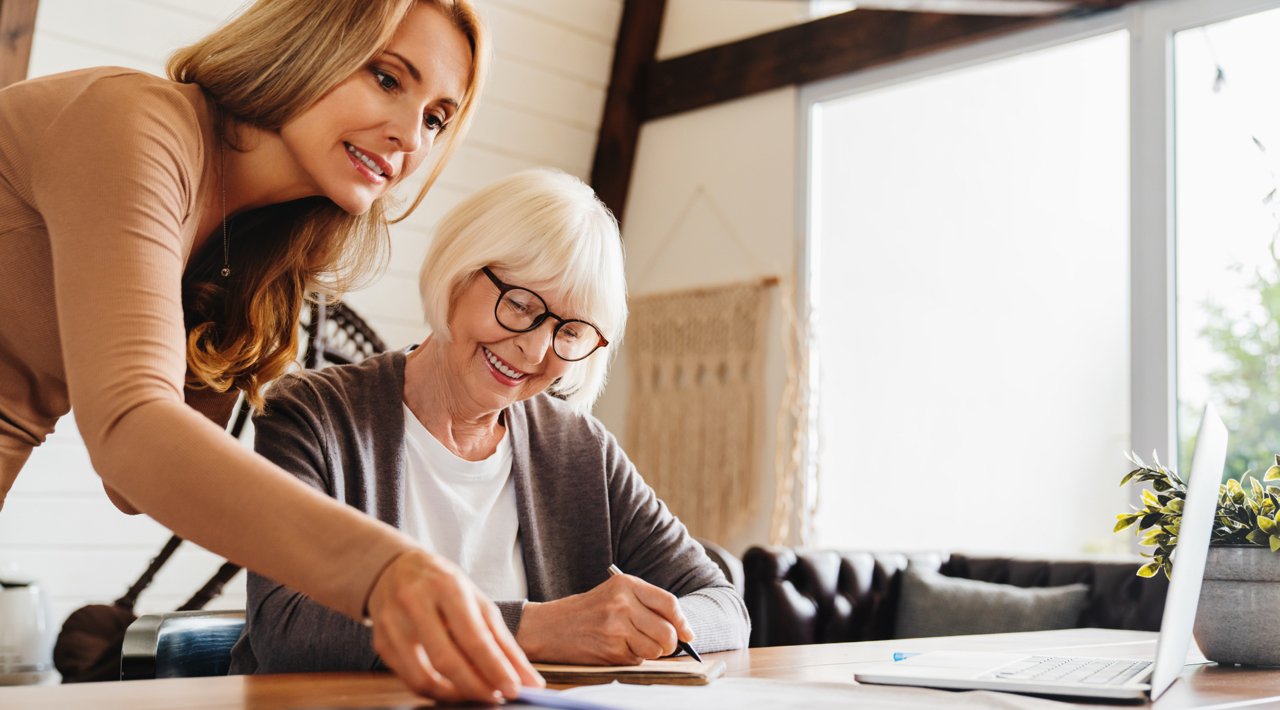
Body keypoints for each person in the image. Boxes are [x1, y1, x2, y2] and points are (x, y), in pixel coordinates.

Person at [0, 0, 542, 701]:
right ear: (308, 43)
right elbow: (129, 434)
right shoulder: (132, 123)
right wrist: (385, 569)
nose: (409, 135)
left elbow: (134, 490)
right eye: (386, 78)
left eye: (437, 118)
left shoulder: (253, 254)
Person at [228, 168, 751, 673]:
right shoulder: (314, 416)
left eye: (569, 332)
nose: (534, 347)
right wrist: (538, 627)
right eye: (521, 304)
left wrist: (642, 627)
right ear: (458, 273)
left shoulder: (578, 448)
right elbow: (286, 627)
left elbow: (725, 607)